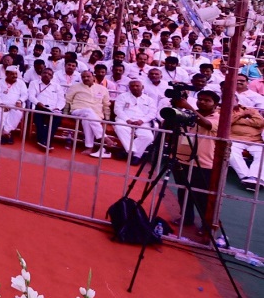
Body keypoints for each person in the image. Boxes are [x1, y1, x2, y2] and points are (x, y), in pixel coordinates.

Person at [169, 90, 220, 230]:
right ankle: (186, 218)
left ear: (215, 104)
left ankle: (206, 225)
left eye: (207, 100)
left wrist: (187, 107)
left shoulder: (218, 117)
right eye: (200, 99)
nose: (202, 102)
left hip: (202, 162)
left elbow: (207, 125)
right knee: (183, 190)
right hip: (180, 158)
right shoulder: (186, 114)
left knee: (201, 195)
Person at [65, 70, 111, 157]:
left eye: (88, 76)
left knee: (87, 119)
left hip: (96, 116)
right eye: (83, 77)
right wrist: (65, 114)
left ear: (93, 77)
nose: (85, 78)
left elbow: (106, 105)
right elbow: (68, 101)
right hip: (77, 112)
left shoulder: (103, 89)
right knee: (88, 111)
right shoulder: (75, 87)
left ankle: (89, 147)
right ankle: (104, 137)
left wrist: (107, 119)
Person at [112, 78, 157, 165]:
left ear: (142, 87)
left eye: (137, 86)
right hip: (125, 120)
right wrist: (127, 120)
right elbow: (117, 110)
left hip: (142, 122)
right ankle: (134, 154)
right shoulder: (122, 96)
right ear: (129, 87)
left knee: (148, 137)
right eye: (132, 86)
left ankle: (129, 153)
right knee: (120, 128)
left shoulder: (149, 100)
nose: (135, 88)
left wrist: (142, 120)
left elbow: (152, 113)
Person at [228, 102, 264, 191]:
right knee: (231, 152)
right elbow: (227, 121)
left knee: (262, 154)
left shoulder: (250, 109)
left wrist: (238, 119)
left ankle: (255, 177)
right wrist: (243, 115)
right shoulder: (221, 110)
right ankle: (246, 177)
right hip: (235, 139)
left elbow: (260, 122)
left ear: (237, 100)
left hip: (255, 139)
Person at [28, 67, 65, 151]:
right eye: (45, 73)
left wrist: (58, 107)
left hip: (54, 108)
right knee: (39, 117)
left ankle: (44, 140)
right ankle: (45, 141)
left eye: (49, 74)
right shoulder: (34, 83)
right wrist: (38, 103)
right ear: (41, 74)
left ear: (52, 77)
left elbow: (61, 99)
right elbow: (31, 96)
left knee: (56, 120)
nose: (46, 75)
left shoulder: (57, 86)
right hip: (39, 106)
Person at [0, 66, 28, 144]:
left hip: (15, 104)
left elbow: (25, 94)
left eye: (16, 74)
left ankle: (4, 132)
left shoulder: (21, 82)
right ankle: (7, 133)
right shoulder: (0, 82)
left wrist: (20, 101)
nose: (15, 76)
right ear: (6, 74)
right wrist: (1, 104)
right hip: (1, 104)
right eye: (12, 74)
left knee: (18, 112)